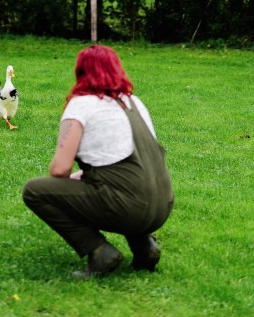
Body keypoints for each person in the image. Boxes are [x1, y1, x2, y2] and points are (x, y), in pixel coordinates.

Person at [22, 44, 174, 279]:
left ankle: (100, 251)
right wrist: (83, 177)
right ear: (117, 69)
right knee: (120, 190)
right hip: (162, 205)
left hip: (130, 207)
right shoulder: (134, 102)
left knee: (34, 190)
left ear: (80, 72)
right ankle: (144, 245)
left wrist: (73, 180)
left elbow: (60, 169)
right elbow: (116, 160)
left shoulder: (82, 105)